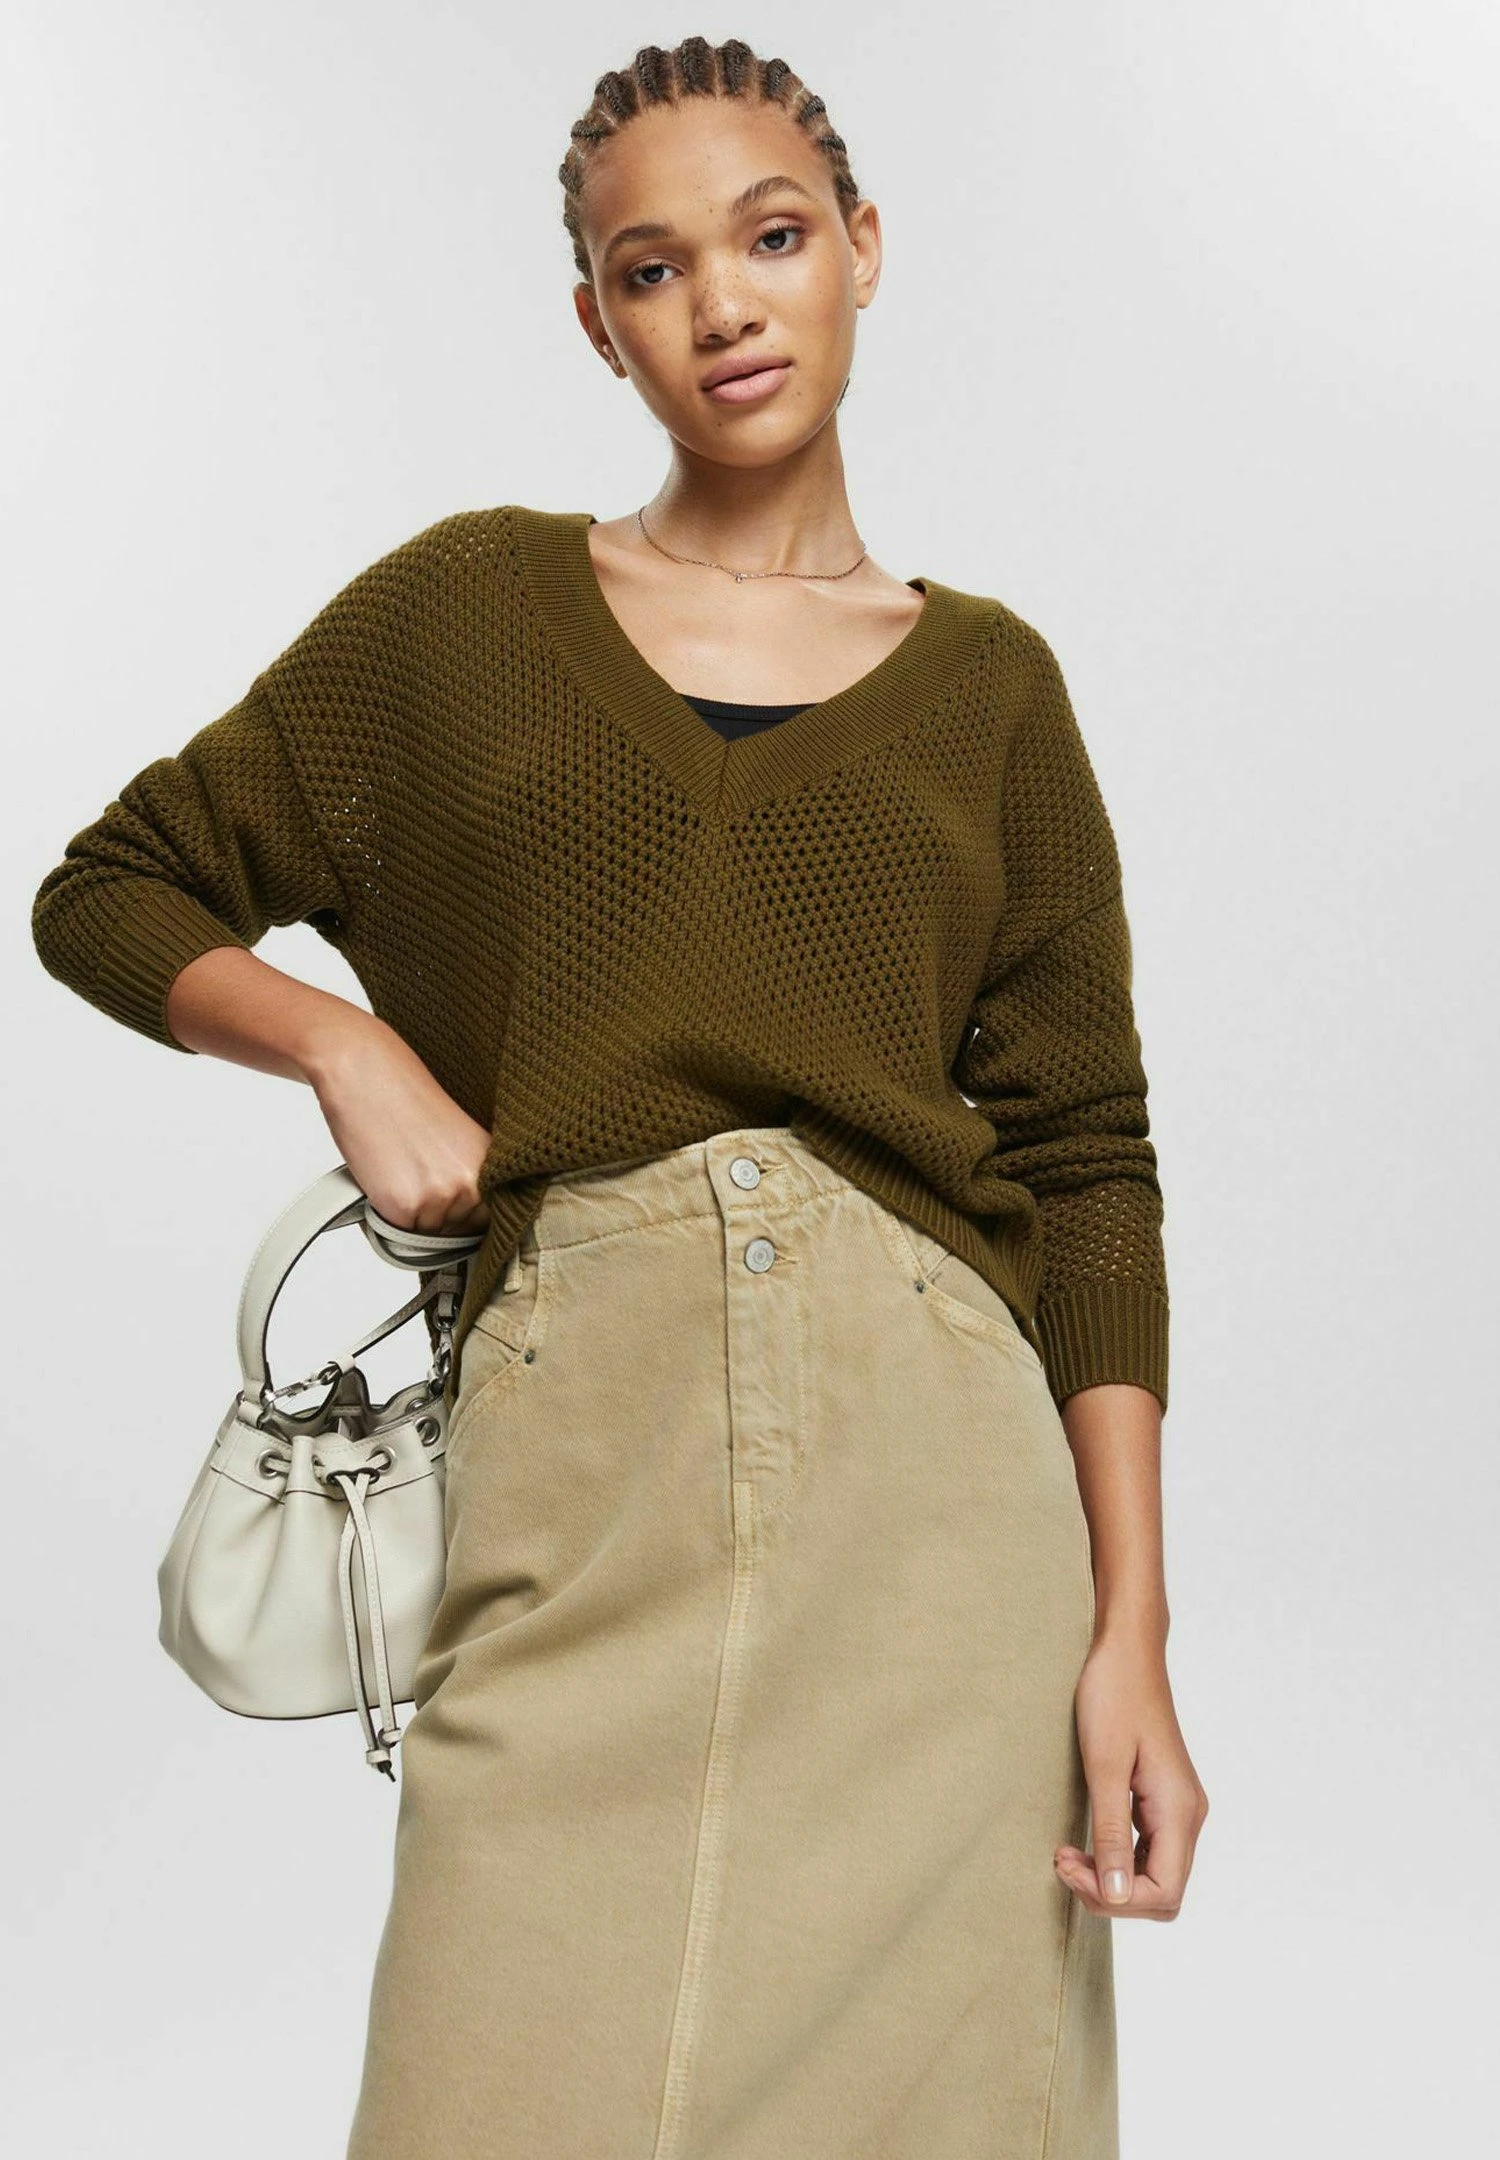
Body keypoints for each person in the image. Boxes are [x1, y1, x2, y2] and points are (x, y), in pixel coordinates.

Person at [31, 35, 1209, 2160]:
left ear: (863, 249)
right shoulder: (466, 613)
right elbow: (113, 888)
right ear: (597, 323)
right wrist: (345, 1048)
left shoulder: (994, 690)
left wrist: (1131, 1633)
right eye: (651, 269)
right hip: (578, 1465)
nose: (723, 303)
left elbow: (1086, 1162)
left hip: (942, 1511)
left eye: (773, 237)